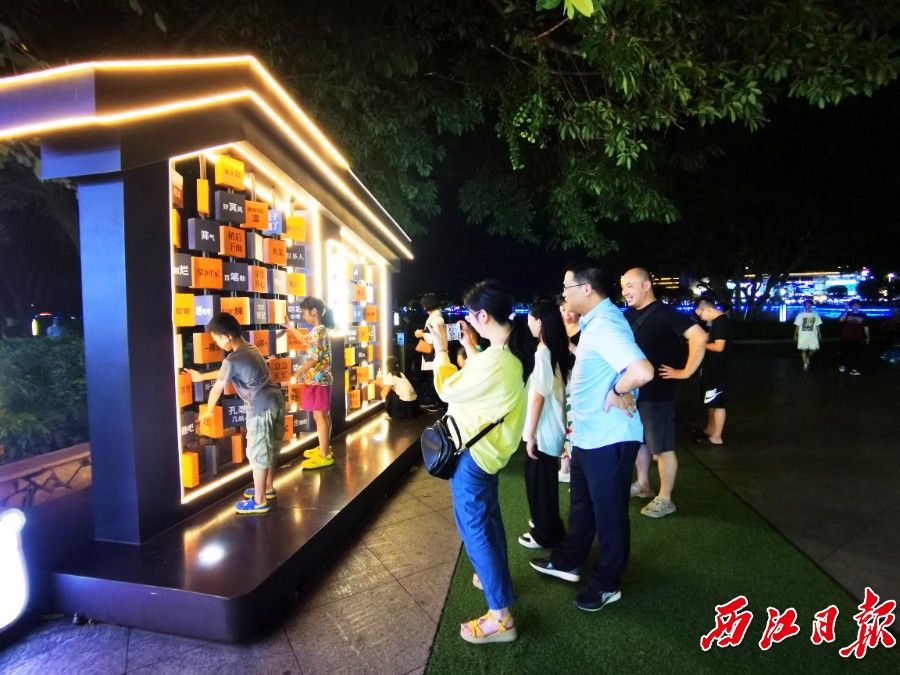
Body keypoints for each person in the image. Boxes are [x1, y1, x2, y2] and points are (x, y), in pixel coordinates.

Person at [530, 263, 653, 613]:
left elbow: (641, 370)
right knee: (582, 507)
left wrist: (618, 389)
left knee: (609, 514)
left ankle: (608, 583)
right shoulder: (594, 323)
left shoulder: (606, 324)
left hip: (609, 438)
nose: (563, 294)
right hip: (589, 438)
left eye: (566, 287)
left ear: (586, 289)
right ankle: (568, 560)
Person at [430, 279, 530, 644]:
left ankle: (501, 618)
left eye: (470, 315)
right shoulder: (509, 353)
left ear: (483, 315)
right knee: (488, 524)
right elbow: (486, 381)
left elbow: (446, 389)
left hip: (473, 458)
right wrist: (472, 348)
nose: (467, 320)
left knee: (477, 531)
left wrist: (441, 350)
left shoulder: (497, 360)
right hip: (489, 454)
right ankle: (493, 582)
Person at [621, 268, 706, 519]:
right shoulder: (626, 316)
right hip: (634, 391)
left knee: (661, 447)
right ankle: (643, 484)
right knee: (639, 442)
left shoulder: (665, 313)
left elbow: (699, 336)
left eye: (630, 286)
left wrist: (686, 371)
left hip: (658, 392)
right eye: (623, 287)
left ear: (646, 285)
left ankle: (665, 498)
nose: (625, 292)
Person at [201, 312, 286, 515]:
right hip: (276, 400)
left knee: (258, 452)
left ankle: (259, 501)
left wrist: (208, 411)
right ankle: (267, 487)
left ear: (226, 336)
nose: (217, 344)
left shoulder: (232, 359)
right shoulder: (252, 348)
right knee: (271, 448)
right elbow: (226, 372)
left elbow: (217, 388)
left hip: (259, 408)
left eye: (216, 339)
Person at [519, 298, 570, 549]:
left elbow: (538, 395)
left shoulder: (543, 351)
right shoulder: (556, 348)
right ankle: (550, 527)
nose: (528, 323)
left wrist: (530, 434)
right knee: (545, 484)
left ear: (539, 322)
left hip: (543, 430)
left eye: (530, 318)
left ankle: (544, 534)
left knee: (539, 485)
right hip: (553, 428)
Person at [293, 296, 336, 469]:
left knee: (320, 416)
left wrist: (297, 373)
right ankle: (325, 448)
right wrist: (290, 327)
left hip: (318, 380)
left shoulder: (317, 331)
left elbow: (313, 358)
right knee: (324, 415)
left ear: (314, 312)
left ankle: (324, 455)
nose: (303, 316)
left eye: (304, 313)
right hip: (322, 380)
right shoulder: (320, 330)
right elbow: (306, 341)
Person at [693, 294, 733, 445]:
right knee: (712, 401)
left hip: (718, 369)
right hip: (714, 368)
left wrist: (700, 344)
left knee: (718, 403)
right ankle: (710, 430)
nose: (701, 318)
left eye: (700, 314)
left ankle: (716, 436)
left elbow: (719, 346)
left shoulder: (721, 322)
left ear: (707, 309)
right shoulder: (718, 322)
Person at [557, 296, 581, 484]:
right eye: (563, 310)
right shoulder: (557, 330)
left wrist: (570, 346)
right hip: (559, 382)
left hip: (577, 384)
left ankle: (575, 467)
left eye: (570, 310)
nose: (567, 314)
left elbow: (588, 358)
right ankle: (564, 466)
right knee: (561, 422)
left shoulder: (585, 331)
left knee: (573, 423)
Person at [414, 293, 445, 409]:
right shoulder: (437, 317)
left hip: (434, 354)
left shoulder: (436, 319)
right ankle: (437, 402)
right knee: (433, 378)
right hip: (434, 354)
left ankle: (437, 403)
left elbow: (435, 337)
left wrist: (421, 334)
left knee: (434, 379)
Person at [838, 299, 870, 376]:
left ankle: (855, 369)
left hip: (857, 337)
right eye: (854, 305)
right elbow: (841, 320)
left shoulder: (863, 315)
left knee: (856, 354)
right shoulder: (847, 314)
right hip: (846, 336)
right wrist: (846, 310)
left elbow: (866, 326)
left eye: (857, 305)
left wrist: (868, 336)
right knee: (845, 352)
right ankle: (843, 365)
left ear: (859, 306)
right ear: (852, 306)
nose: (856, 306)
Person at [793, 299, 822, 371]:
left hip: (813, 335)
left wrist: (819, 333)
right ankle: (805, 364)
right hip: (803, 335)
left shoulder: (815, 315)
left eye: (809, 304)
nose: (808, 305)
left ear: (811, 305)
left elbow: (818, 325)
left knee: (815, 348)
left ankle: (808, 357)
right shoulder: (800, 315)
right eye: (807, 304)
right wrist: (795, 334)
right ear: (804, 305)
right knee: (803, 350)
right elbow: (797, 325)